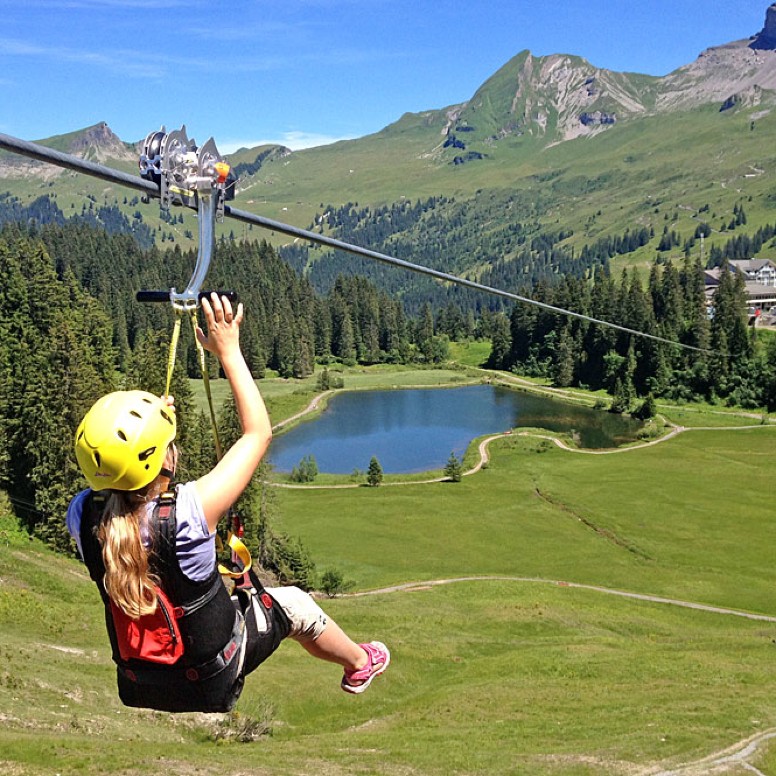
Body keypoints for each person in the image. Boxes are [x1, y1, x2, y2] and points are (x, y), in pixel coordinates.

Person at [66, 292, 389, 713]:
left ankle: (358, 663)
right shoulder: (187, 514)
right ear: (164, 460)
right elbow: (258, 433)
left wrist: (153, 428)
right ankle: (360, 663)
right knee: (293, 604)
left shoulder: (82, 515)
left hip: (140, 681)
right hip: (211, 679)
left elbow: (121, 493)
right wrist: (229, 351)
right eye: (170, 444)